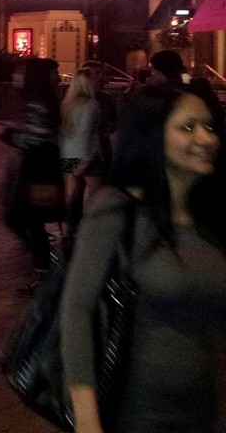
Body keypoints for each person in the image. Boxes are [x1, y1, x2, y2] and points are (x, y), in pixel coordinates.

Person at [61, 85, 226, 433]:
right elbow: (77, 312)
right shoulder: (117, 209)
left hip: (204, 412)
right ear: (153, 135)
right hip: (136, 414)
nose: (206, 138)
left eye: (210, 127)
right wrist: (87, 418)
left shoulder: (210, 218)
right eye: (188, 127)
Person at [1, 57, 63, 293]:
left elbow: (33, 139)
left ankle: (43, 271)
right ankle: (43, 265)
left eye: (20, 71)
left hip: (38, 170)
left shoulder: (36, 103)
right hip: (43, 167)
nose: (16, 76)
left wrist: (6, 134)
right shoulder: (43, 100)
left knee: (26, 218)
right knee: (27, 218)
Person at [60, 67, 101, 235]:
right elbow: (86, 133)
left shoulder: (67, 104)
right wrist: (85, 161)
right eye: (95, 79)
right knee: (97, 197)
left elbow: (64, 133)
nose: (98, 81)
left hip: (69, 154)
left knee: (73, 198)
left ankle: (71, 231)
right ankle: (95, 231)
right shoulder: (91, 105)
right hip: (88, 155)